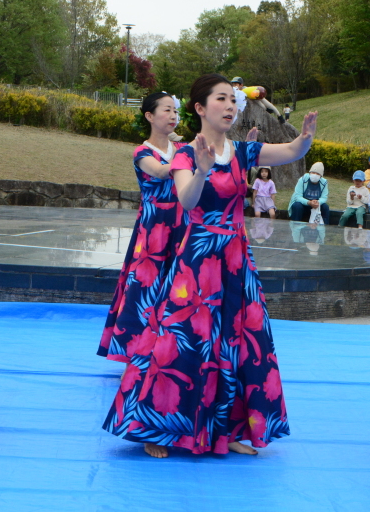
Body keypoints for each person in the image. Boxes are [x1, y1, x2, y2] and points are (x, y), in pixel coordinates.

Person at [103, 73, 317, 458]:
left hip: (236, 259)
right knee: (180, 340)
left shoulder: (243, 151)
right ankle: (156, 428)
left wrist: (304, 139)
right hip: (198, 259)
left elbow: (289, 151)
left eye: (233, 100)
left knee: (240, 341)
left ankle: (227, 429)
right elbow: (187, 200)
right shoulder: (186, 154)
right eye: (222, 99)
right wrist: (202, 169)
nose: (230, 106)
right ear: (201, 108)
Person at [98, 92, 186, 361]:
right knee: (144, 289)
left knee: (179, 289)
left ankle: (171, 353)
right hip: (154, 230)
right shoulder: (142, 152)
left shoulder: (183, 149)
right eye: (166, 110)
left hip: (182, 225)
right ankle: (134, 355)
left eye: (175, 111)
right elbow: (160, 171)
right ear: (149, 116)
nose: (173, 115)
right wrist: (190, 156)